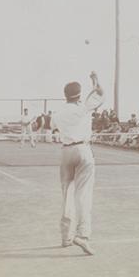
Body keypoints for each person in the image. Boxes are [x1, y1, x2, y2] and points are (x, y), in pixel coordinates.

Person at [51, 71, 104, 255]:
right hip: (83, 151)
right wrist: (95, 80)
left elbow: (52, 126)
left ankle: (66, 237)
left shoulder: (58, 113)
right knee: (83, 195)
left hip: (66, 152)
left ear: (65, 95)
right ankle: (83, 235)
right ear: (79, 95)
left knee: (67, 194)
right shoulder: (84, 108)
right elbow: (100, 93)